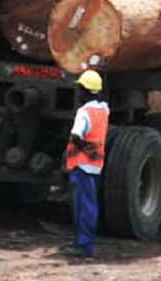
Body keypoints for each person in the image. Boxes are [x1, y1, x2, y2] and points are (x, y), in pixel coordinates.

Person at [62, 70, 109, 258]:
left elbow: (76, 135)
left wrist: (83, 147)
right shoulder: (104, 110)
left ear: (86, 91)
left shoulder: (84, 112)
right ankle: (84, 242)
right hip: (95, 164)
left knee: (82, 206)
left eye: (80, 89)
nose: (78, 93)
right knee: (89, 204)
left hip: (81, 163)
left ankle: (84, 245)